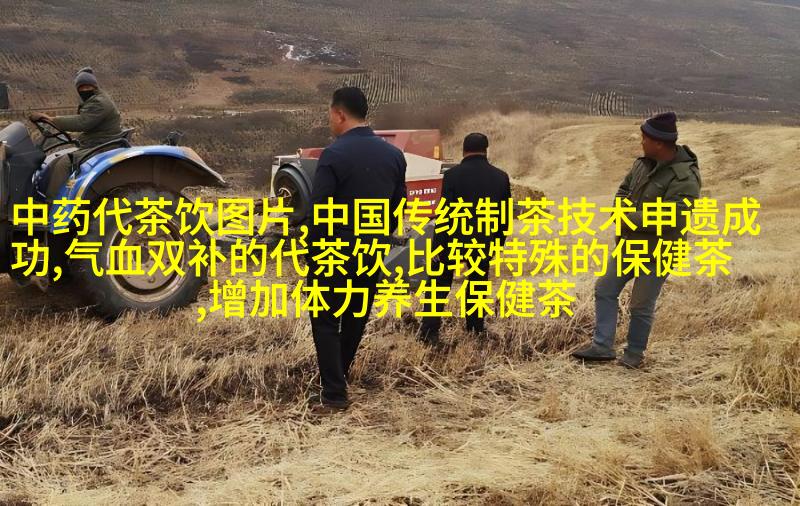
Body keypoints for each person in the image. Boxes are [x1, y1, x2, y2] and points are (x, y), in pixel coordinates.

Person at [572, 112, 701, 369]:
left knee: (641, 304)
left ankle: (634, 354)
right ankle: (602, 346)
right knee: (605, 289)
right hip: (629, 245)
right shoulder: (641, 164)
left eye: (645, 138)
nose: (641, 142)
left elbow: (674, 217)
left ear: (659, 143)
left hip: (659, 252)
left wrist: (629, 218)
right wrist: (620, 209)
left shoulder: (685, 177)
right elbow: (623, 190)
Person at [307, 87, 407, 412]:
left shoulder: (333, 155)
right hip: (371, 250)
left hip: (334, 250)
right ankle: (340, 375)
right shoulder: (394, 156)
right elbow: (398, 204)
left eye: (330, 115)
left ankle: (334, 393)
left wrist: (313, 252)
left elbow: (319, 211)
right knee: (355, 316)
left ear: (339, 114)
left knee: (325, 318)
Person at [419, 133, 512, 346]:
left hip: (452, 239)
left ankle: (429, 331)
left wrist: (437, 245)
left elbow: (445, 213)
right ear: (486, 150)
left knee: (439, 284)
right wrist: (498, 242)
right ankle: (475, 327)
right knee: (477, 283)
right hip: (483, 240)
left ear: (463, 150)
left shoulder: (453, 175)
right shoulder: (501, 177)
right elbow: (505, 215)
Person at [29, 67, 122, 199]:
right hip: (95, 141)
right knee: (53, 162)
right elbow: (87, 122)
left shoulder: (100, 103)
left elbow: (82, 122)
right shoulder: (93, 100)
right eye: (81, 87)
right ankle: (39, 197)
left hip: (103, 145)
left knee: (64, 165)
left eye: (88, 86)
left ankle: (54, 204)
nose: (85, 90)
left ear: (94, 86)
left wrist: (51, 119)